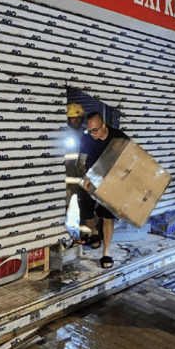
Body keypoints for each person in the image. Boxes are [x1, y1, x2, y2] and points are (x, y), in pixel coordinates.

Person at [80, 111, 128, 269]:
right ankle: (94, 231)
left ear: (103, 126)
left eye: (95, 130)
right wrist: (84, 176)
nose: (92, 134)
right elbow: (81, 161)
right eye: (89, 130)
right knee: (86, 214)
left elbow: (131, 160)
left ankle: (106, 252)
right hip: (92, 178)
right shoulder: (87, 138)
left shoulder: (118, 137)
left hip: (111, 182)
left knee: (108, 217)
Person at [64, 103, 98, 246]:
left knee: (86, 206)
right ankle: (69, 237)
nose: (76, 121)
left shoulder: (86, 133)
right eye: (73, 118)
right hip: (69, 175)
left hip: (84, 174)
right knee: (68, 206)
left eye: (78, 118)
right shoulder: (64, 133)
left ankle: (89, 234)